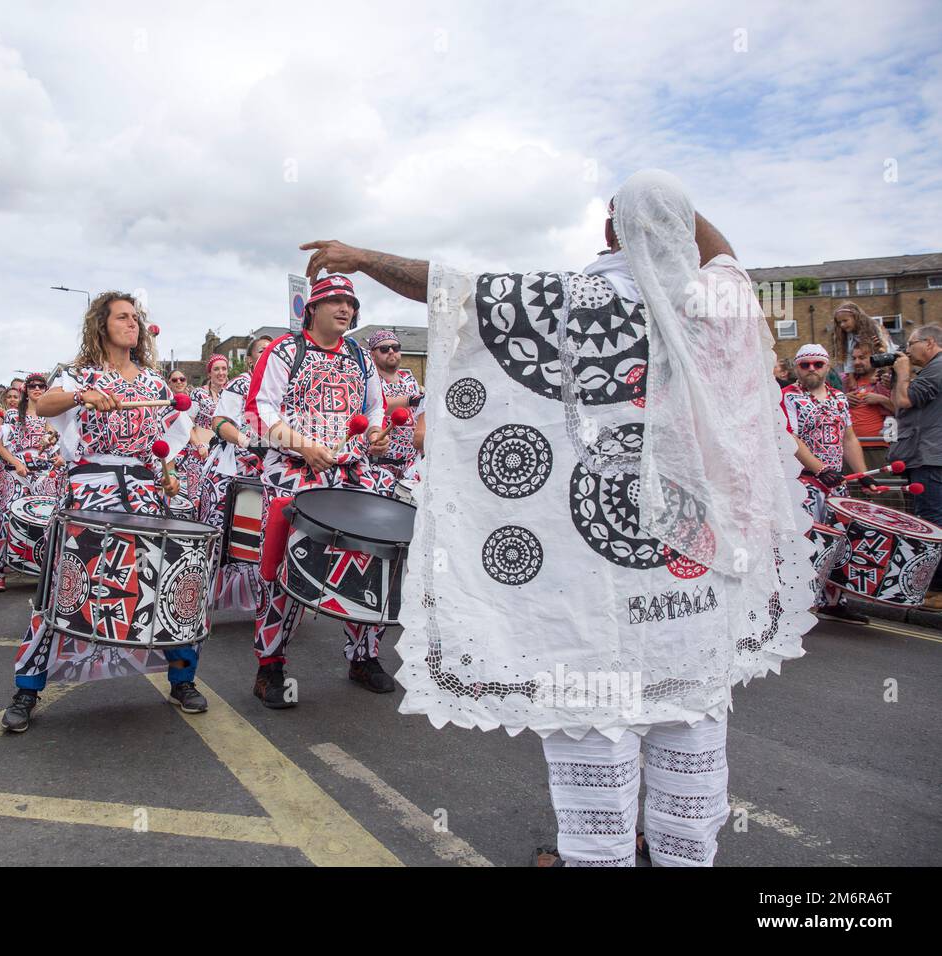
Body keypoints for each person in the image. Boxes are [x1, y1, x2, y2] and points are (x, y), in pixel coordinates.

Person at [300, 169, 815, 867]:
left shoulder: (576, 299)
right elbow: (727, 262)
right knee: (690, 767)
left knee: (596, 772)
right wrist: (675, 216)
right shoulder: (716, 306)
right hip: (690, 601)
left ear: (609, 231)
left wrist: (359, 256)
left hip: (593, 607)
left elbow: (449, 287)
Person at [3, 291, 205, 731]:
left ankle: (182, 677)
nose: (131, 324)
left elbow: (164, 441)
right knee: (67, 585)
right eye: (122, 317)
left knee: (161, 579)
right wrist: (83, 396)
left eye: (135, 318)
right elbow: (44, 405)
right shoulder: (78, 375)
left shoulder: (154, 383)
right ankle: (27, 688)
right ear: (101, 325)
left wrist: (167, 473)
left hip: (143, 489)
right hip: (89, 489)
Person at [244, 274, 397, 709]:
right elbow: (259, 410)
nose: (345, 308)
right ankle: (270, 665)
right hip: (294, 471)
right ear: (312, 307)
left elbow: (373, 411)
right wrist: (303, 446)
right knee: (285, 567)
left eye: (351, 302)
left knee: (373, 559)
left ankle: (364, 656)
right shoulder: (283, 351)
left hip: (350, 471)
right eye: (335, 301)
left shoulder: (360, 357)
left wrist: (377, 435)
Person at [780, 343, 874, 621]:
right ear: (797, 367)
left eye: (817, 364)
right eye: (805, 364)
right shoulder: (787, 397)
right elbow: (790, 438)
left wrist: (864, 474)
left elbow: (849, 438)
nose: (811, 369)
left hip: (835, 486)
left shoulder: (839, 399)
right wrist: (820, 469)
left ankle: (833, 601)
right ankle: (793, 604)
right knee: (803, 545)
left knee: (837, 546)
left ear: (827, 366)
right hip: (803, 484)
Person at [199, 334, 273, 610]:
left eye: (273, 350)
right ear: (250, 360)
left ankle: (264, 601)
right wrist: (246, 441)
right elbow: (219, 422)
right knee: (220, 535)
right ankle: (200, 600)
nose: (269, 354)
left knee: (258, 538)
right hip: (231, 471)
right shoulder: (241, 383)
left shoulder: (282, 387)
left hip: (267, 473)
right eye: (262, 351)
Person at [0, 373, 63, 592]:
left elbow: (57, 443)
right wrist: (16, 463)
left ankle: (46, 570)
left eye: (41, 386)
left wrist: (59, 456)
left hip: (44, 473)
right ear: (25, 390)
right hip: (16, 473)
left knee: (49, 518)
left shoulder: (52, 416)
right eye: (33, 386)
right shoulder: (11, 415)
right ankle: (0, 571)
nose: (37, 389)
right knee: (6, 516)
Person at [888, 325, 942, 610]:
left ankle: (936, 591)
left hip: (931, 457)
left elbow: (904, 400)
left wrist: (904, 372)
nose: (907, 350)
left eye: (912, 344)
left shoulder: (937, 367)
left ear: (930, 342)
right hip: (929, 455)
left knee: (932, 524)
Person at [365, 329, 423, 484]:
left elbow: (419, 413)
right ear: (372, 354)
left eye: (395, 347)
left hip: (410, 464)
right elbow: (379, 405)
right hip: (379, 464)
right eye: (384, 349)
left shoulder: (409, 379)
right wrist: (411, 399)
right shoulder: (370, 380)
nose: (391, 351)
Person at [180, 354, 229, 508]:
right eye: (216, 369)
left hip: (221, 455)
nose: (221, 372)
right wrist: (199, 445)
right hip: (199, 453)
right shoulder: (198, 394)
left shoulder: (231, 394)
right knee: (196, 499)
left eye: (224, 369)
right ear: (209, 373)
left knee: (217, 500)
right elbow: (187, 423)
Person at [844, 344, 894, 472]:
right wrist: (843, 399)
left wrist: (881, 399)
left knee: (882, 490)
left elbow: (904, 410)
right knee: (854, 491)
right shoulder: (847, 382)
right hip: (850, 448)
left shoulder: (886, 380)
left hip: (877, 447)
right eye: (854, 358)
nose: (857, 362)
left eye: (862, 358)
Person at [832, 302, 892, 378]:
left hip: (884, 365)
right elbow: (849, 355)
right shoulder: (849, 334)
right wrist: (851, 377)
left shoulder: (874, 329)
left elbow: (882, 352)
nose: (842, 325)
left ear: (856, 317)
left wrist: (876, 373)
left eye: (845, 320)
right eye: (839, 322)